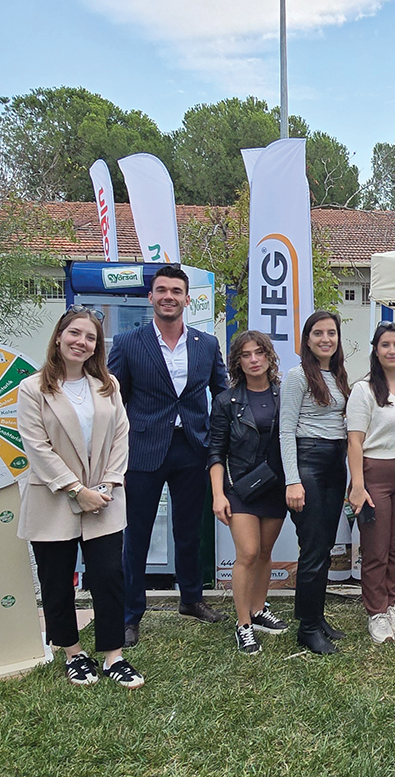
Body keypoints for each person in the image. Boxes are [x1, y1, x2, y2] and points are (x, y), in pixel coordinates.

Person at [16, 306, 143, 688]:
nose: (81, 342)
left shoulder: (108, 385)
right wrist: (76, 490)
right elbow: (37, 447)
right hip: (54, 497)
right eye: (74, 333)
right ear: (59, 336)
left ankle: (113, 656)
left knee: (109, 577)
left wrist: (108, 484)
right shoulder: (33, 389)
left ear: (97, 346)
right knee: (57, 581)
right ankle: (73, 653)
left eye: (90, 337)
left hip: (104, 498)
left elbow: (121, 436)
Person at [108, 265, 229, 649]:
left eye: (176, 291)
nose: (168, 297)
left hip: (192, 446)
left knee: (189, 531)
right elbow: (113, 399)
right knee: (136, 534)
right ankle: (130, 614)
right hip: (143, 449)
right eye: (162, 290)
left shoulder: (206, 344)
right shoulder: (128, 343)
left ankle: (191, 599)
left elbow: (222, 395)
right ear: (151, 297)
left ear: (187, 299)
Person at [207, 330, 290, 655]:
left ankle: (257, 609)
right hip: (240, 487)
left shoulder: (285, 395)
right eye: (246, 355)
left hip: (275, 486)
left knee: (266, 553)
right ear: (237, 362)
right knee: (248, 553)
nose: (254, 360)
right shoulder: (226, 401)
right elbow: (216, 452)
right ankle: (243, 625)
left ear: (269, 357)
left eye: (259, 353)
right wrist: (218, 495)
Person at [346, 322, 395, 644]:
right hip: (375, 474)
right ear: (376, 351)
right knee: (376, 548)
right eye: (385, 345)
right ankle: (375, 611)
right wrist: (358, 486)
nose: (392, 350)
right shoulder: (363, 390)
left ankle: (390, 603)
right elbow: (354, 440)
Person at [280, 311, 351, 655]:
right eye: (318, 333)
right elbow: (285, 430)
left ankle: (316, 617)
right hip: (308, 463)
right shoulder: (297, 377)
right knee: (312, 548)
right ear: (307, 340)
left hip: (336, 464)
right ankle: (307, 629)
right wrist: (292, 480)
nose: (326, 339)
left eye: (331, 333)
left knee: (324, 547)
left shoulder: (337, 375)